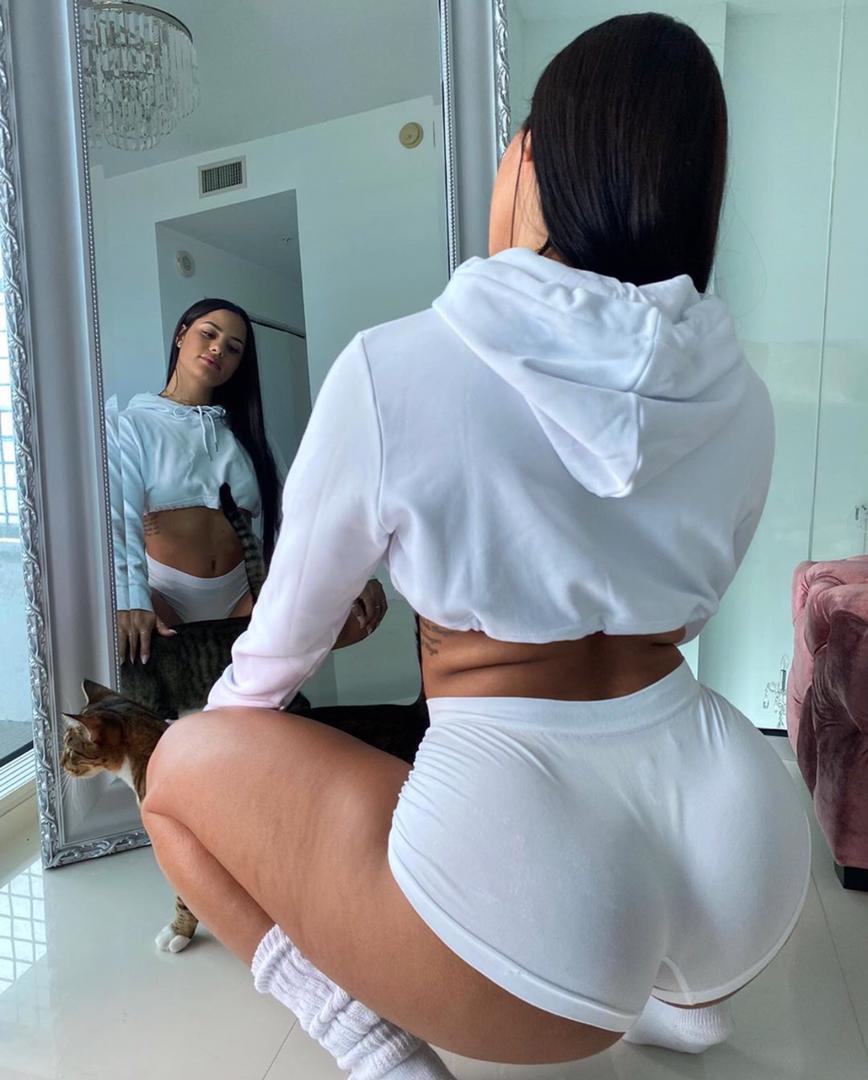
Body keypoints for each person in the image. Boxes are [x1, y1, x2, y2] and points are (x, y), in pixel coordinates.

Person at [140, 14, 811, 1078]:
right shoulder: (741, 399)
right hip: (744, 850)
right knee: (644, 896)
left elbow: (280, 650)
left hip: (535, 887)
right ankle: (674, 994)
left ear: (533, 160)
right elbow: (692, 607)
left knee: (176, 769)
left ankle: (380, 1050)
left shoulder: (397, 365)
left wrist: (231, 763)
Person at [112, 298, 385, 665]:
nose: (217, 349)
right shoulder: (131, 425)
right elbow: (121, 518)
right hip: (167, 596)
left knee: (356, 611)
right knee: (122, 641)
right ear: (181, 335)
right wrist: (130, 600)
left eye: (233, 348)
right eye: (209, 334)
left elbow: (296, 514)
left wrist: (351, 574)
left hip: (246, 592)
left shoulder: (248, 433)